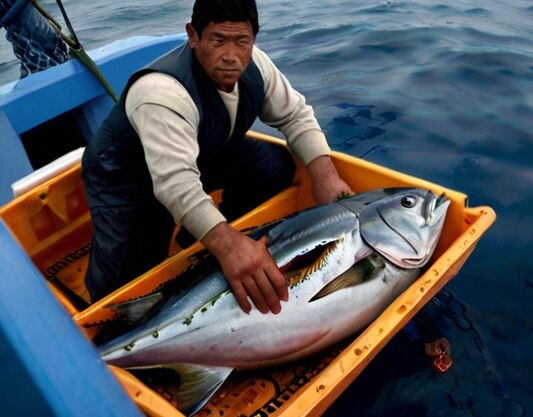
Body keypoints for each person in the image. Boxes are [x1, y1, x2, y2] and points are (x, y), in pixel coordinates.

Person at [81, 0, 352, 313]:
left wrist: (326, 177)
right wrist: (229, 246)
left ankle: (209, 244)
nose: (230, 56)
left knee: (275, 166)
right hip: (126, 177)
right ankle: (101, 323)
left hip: (203, 153)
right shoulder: (161, 93)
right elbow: (176, 186)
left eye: (241, 42)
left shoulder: (257, 66)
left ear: (254, 38)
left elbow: (295, 116)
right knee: (127, 281)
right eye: (218, 40)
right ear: (193, 36)